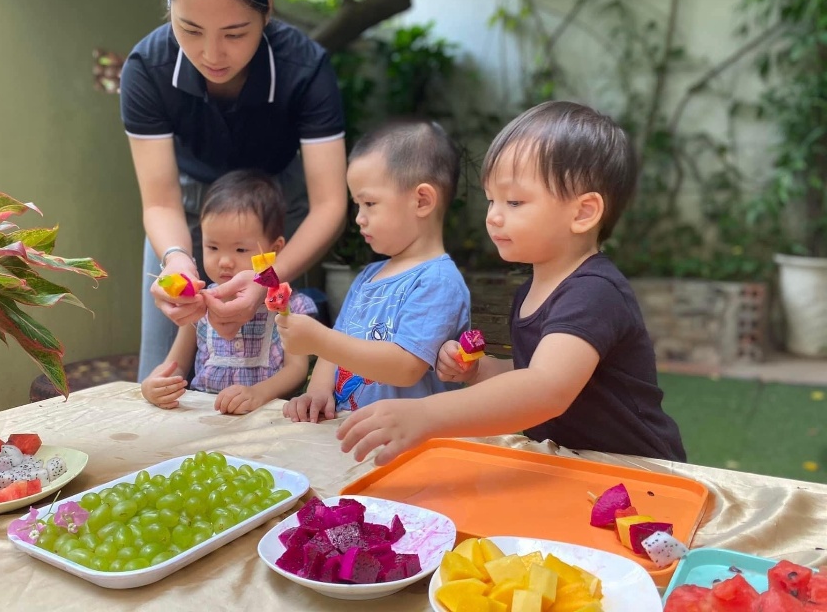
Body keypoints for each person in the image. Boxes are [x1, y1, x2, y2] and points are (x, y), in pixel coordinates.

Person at [337, 101, 687, 465]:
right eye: (492, 200)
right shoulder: (530, 290)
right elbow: (528, 371)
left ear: (583, 213)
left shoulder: (594, 292)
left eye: (515, 202)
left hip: (638, 470)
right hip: (574, 465)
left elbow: (545, 387)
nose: (493, 216)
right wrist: (479, 369)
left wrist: (427, 414)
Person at [120, 0, 347, 383]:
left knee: (278, 371)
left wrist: (268, 277)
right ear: (169, 9)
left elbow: (330, 203)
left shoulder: (305, 68)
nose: (212, 53)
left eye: (235, 33)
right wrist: (177, 262)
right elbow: (160, 203)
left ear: (267, 12)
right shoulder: (147, 69)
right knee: (161, 376)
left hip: (276, 215)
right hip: (186, 214)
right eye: (190, 30)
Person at [277, 119, 471, 422]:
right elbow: (338, 343)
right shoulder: (368, 277)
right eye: (357, 205)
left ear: (422, 201)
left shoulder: (437, 282)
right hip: (350, 431)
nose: (359, 218)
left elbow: (405, 368)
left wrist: (319, 340)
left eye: (369, 203)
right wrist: (318, 390)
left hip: (408, 440)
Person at [141, 170, 318, 414]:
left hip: (267, 417)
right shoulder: (199, 304)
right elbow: (174, 365)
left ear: (274, 249)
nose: (224, 261)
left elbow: (296, 369)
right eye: (212, 247)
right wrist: (153, 385)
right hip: (207, 417)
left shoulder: (289, 305)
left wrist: (259, 394)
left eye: (240, 250)